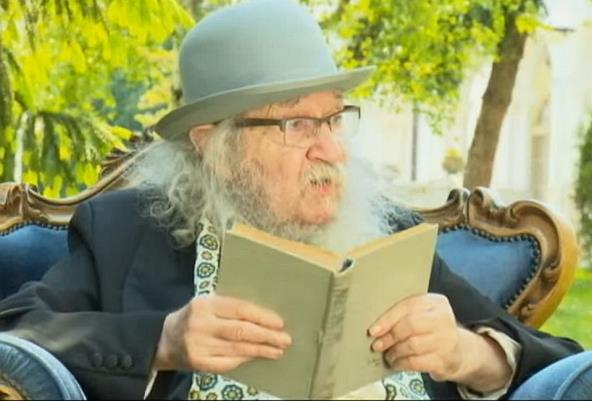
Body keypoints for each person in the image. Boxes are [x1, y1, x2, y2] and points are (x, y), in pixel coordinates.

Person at [0, 0, 583, 399]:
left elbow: (560, 362)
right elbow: (20, 334)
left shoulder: (391, 233)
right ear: (212, 145)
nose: (330, 149)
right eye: (296, 125)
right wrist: (164, 341)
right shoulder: (125, 232)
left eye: (334, 118)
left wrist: (465, 354)